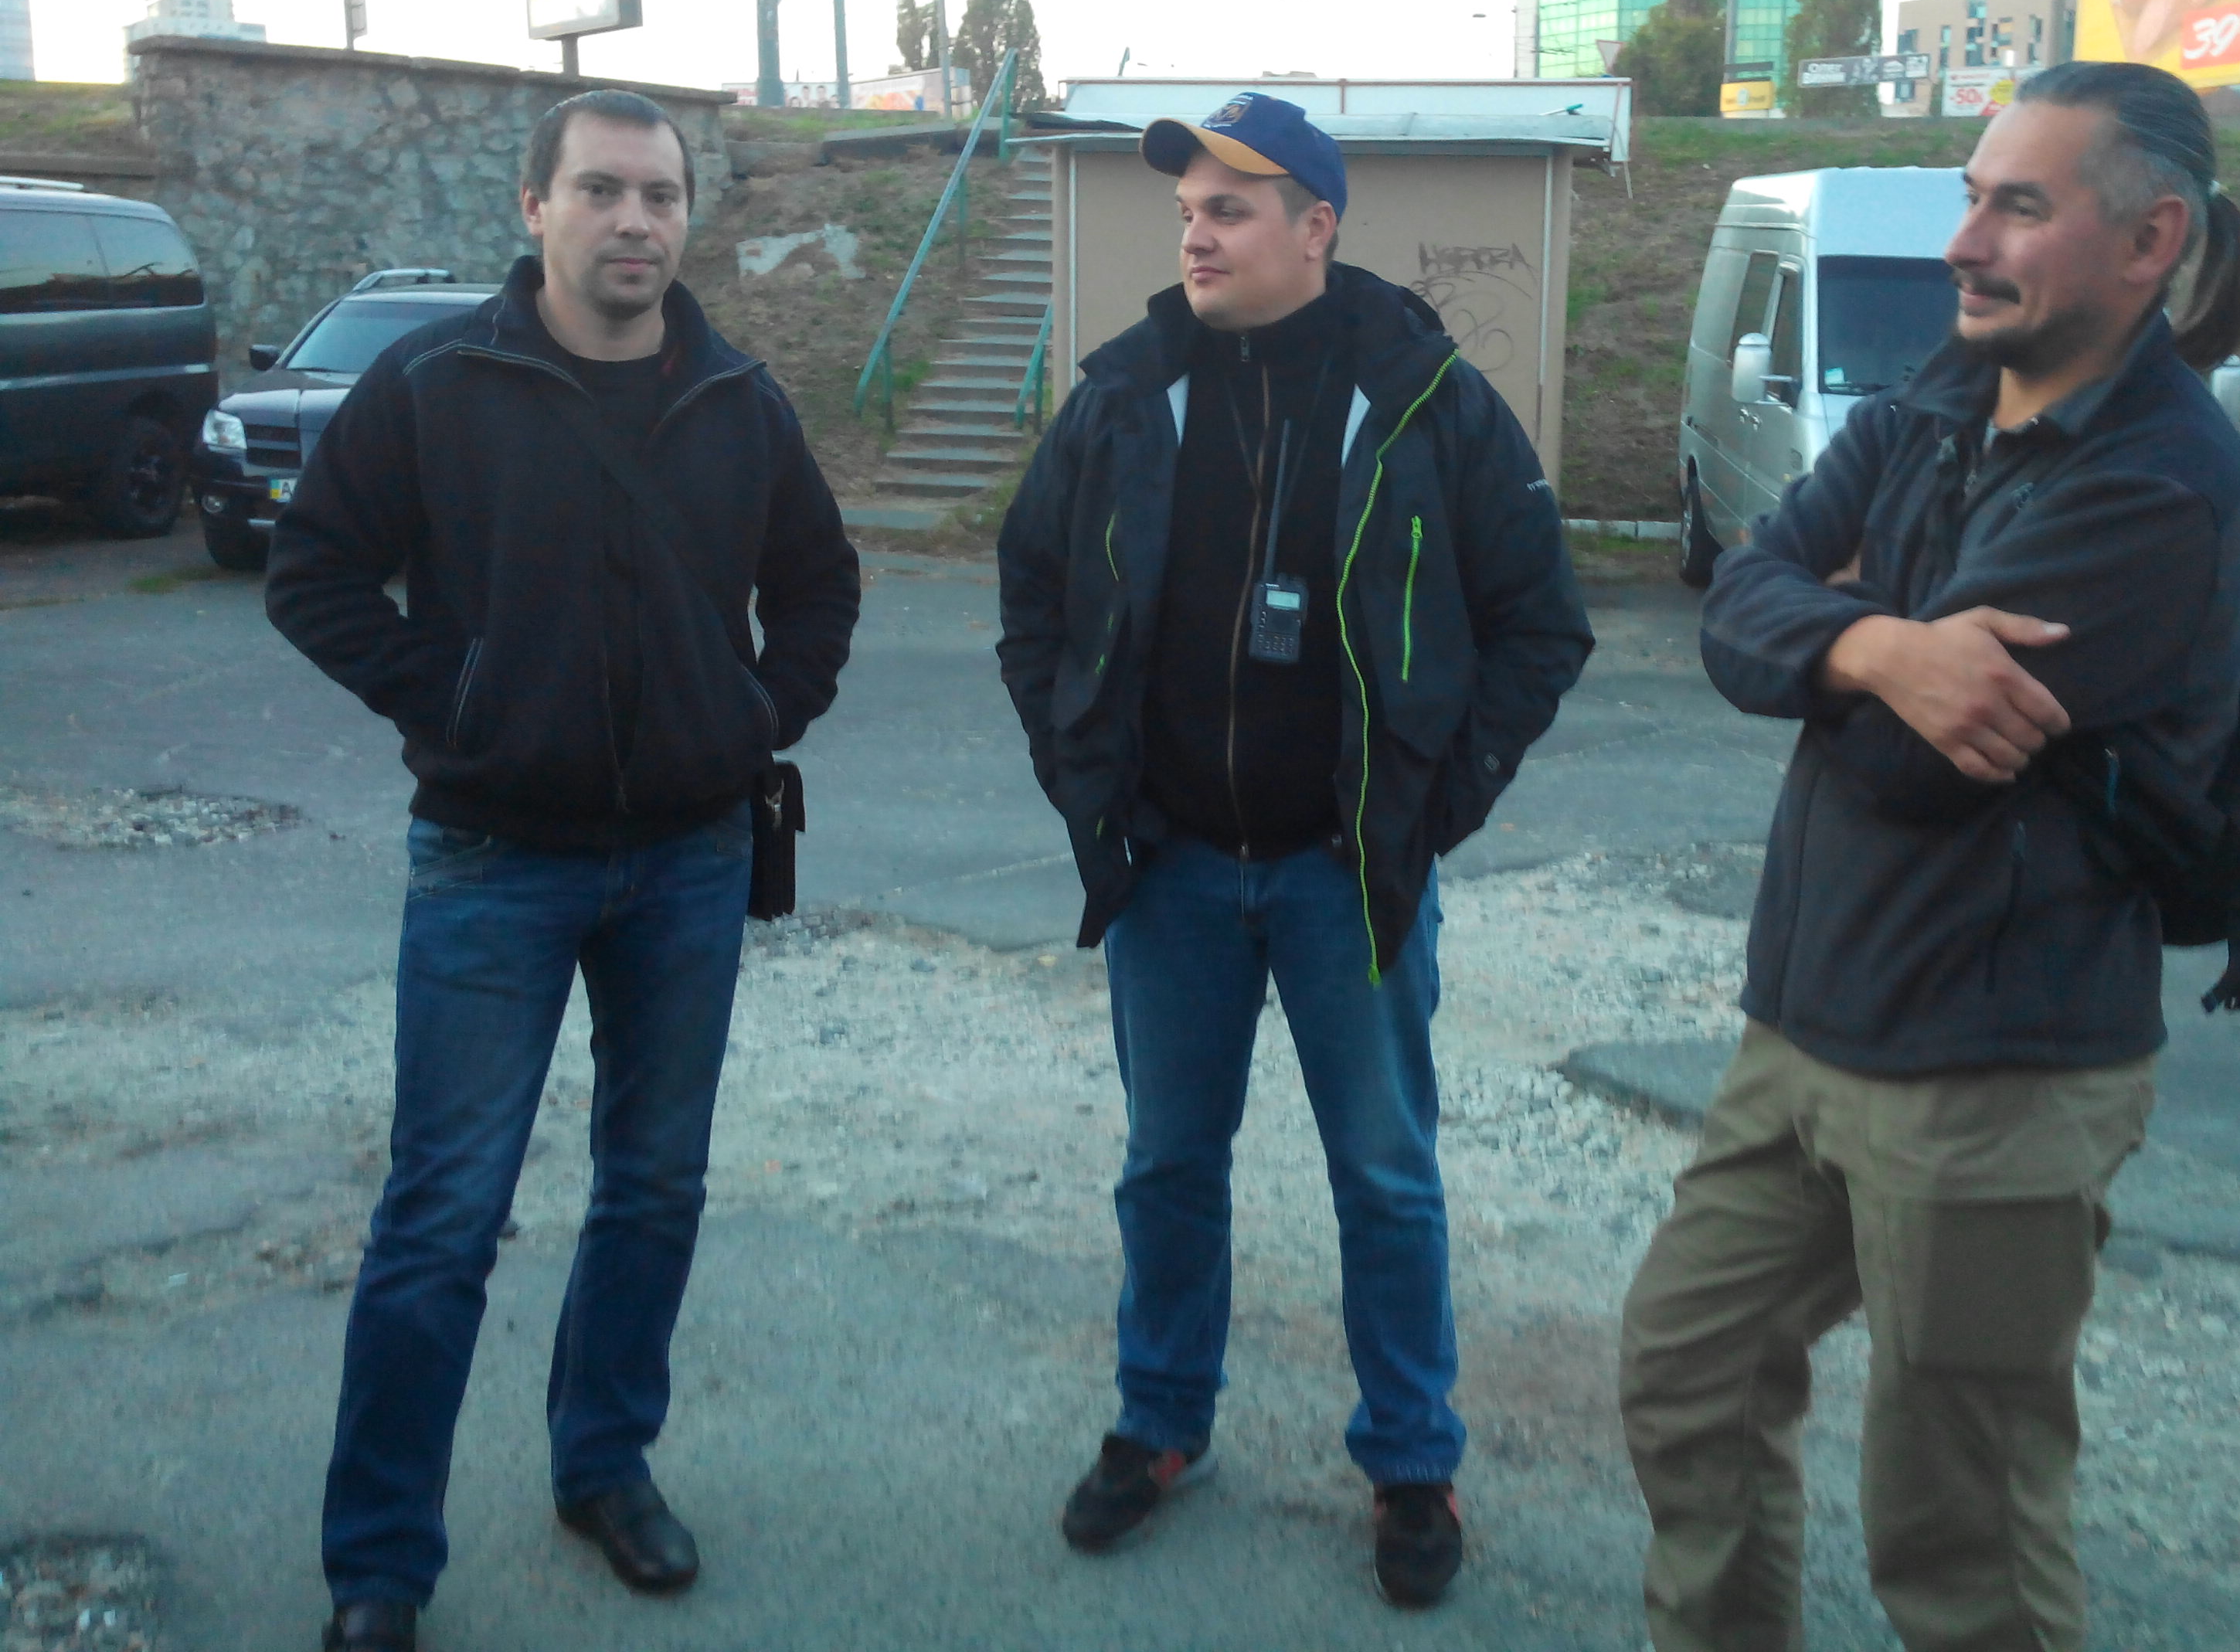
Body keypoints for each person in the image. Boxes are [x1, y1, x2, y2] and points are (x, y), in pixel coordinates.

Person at [1618, 60, 2240, 1652]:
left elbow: (1913, 771)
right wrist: (1881, 648)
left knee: (1956, 1528)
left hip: (1995, 1074)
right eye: (1972, 198)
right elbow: (1737, 605)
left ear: (2150, 241)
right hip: (1809, 1021)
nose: (1964, 244)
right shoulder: (1945, 393)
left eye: (2018, 208)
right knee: (1689, 1373)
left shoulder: (2164, 483)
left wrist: (1832, 636)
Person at [265, 90, 859, 1652]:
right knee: (442, 1217)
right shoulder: (434, 384)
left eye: (661, 193)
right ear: (534, 208)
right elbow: (314, 572)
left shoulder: (737, 400)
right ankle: (380, 1563)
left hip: (689, 859)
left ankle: (604, 1467)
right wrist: (455, 699)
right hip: (492, 859)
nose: (635, 221)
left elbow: (819, 585)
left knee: (653, 1188)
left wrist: (754, 715)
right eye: (600, 189)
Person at [996, 92, 1592, 1607]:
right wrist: (1088, 784)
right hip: (1172, 870)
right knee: (1167, 1168)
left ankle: (1411, 1461)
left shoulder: (1426, 397)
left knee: (1385, 1177)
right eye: (1187, 211)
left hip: (1346, 878)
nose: (1196, 235)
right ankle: (1158, 1425)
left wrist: (1428, 808)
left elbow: (1542, 621)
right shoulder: (1126, 395)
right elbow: (1035, 595)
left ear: (1317, 227)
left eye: (1231, 208)